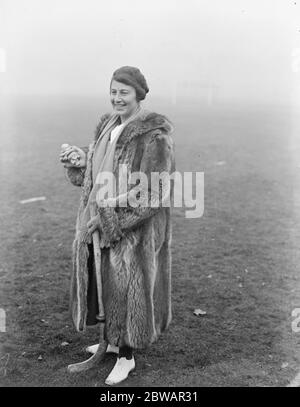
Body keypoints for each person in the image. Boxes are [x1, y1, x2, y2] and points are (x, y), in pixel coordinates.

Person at [59, 66, 176, 385]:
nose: (117, 98)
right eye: (113, 91)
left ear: (139, 94)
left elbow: (156, 191)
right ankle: (110, 343)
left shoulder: (155, 135)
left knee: (128, 291)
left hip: (132, 230)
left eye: (124, 92)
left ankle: (126, 357)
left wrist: (111, 218)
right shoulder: (107, 125)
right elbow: (98, 173)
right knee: (103, 285)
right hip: (98, 220)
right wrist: (80, 161)